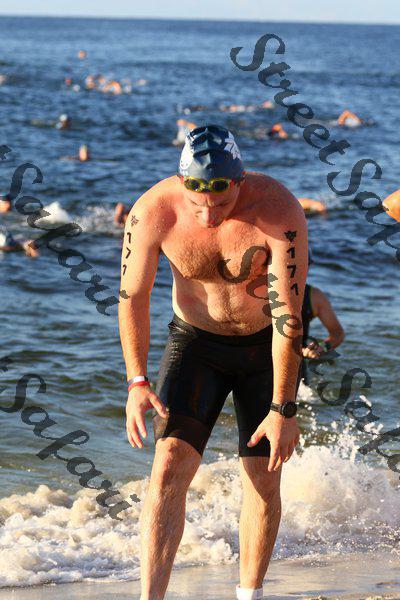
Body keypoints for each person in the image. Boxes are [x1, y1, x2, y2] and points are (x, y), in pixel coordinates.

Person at [119, 124, 308, 600]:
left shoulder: (278, 211)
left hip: (265, 347)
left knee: (263, 477)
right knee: (167, 466)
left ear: (240, 181)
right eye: (198, 203)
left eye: (221, 204)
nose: (208, 217)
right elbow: (133, 296)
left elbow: (289, 316)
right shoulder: (153, 212)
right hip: (195, 343)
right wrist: (137, 381)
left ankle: (250, 594)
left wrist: (284, 408)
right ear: (182, 182)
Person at [301, 251, 345, 385]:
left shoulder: (314, 296)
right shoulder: (263, 291)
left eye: (305, 265)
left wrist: (320, 348)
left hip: (296, 364)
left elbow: (337, 334)